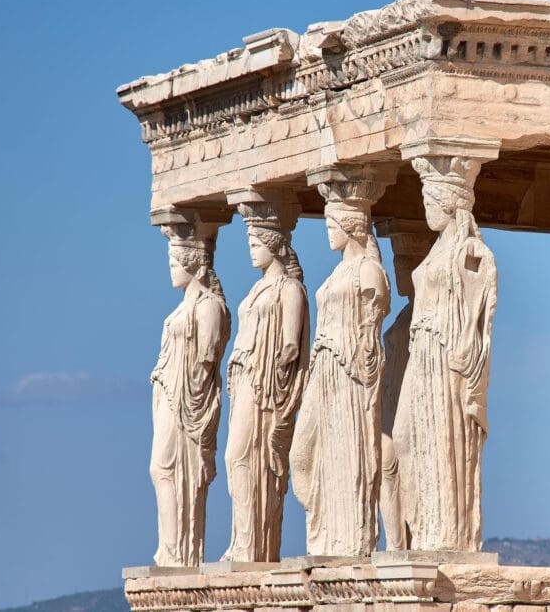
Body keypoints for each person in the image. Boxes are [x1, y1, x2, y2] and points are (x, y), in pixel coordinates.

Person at [393, 159, 497, 551]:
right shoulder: (438, 249)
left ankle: (445, 533)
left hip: (444, 359)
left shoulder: (470, 250)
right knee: (404, 436)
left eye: (431, 200)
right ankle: (423, 530)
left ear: (450, 203)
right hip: (421, 356)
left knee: (438, 439)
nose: (425, 208)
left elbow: (481, 306)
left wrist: (466, 359)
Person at [290, 199, 390, 556]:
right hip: (324, 369)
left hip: (349, 374)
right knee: (302, 454)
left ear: (350, 225)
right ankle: (327, 529)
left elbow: (372, 325)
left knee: (347, 448)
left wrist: (363, 364)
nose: (328, 231)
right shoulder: (337, 273)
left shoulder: (368, 271)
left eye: (333, 224)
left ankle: (349, 538)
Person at [222, 209, 309, 563]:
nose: (251, 250)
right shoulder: (258, 288)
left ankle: (253, 545)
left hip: (264, 386)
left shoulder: (290, 290)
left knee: (242, 456)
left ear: (274, 245)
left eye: (257, 243)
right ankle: (243, 541)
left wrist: (266, 367)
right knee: (236, 459)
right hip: (244, 380)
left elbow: (290, 344)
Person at [149, 227, 230, 567]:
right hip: (168, 396)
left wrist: (190, 399)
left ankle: (180, 552)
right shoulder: (183, 308)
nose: (170, 268)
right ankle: (170, 549)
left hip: (188, 403)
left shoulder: (210, 306)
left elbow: (207, 359)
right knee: (160, 469)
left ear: (193, 262)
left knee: (172, 469)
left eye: (175, 261)